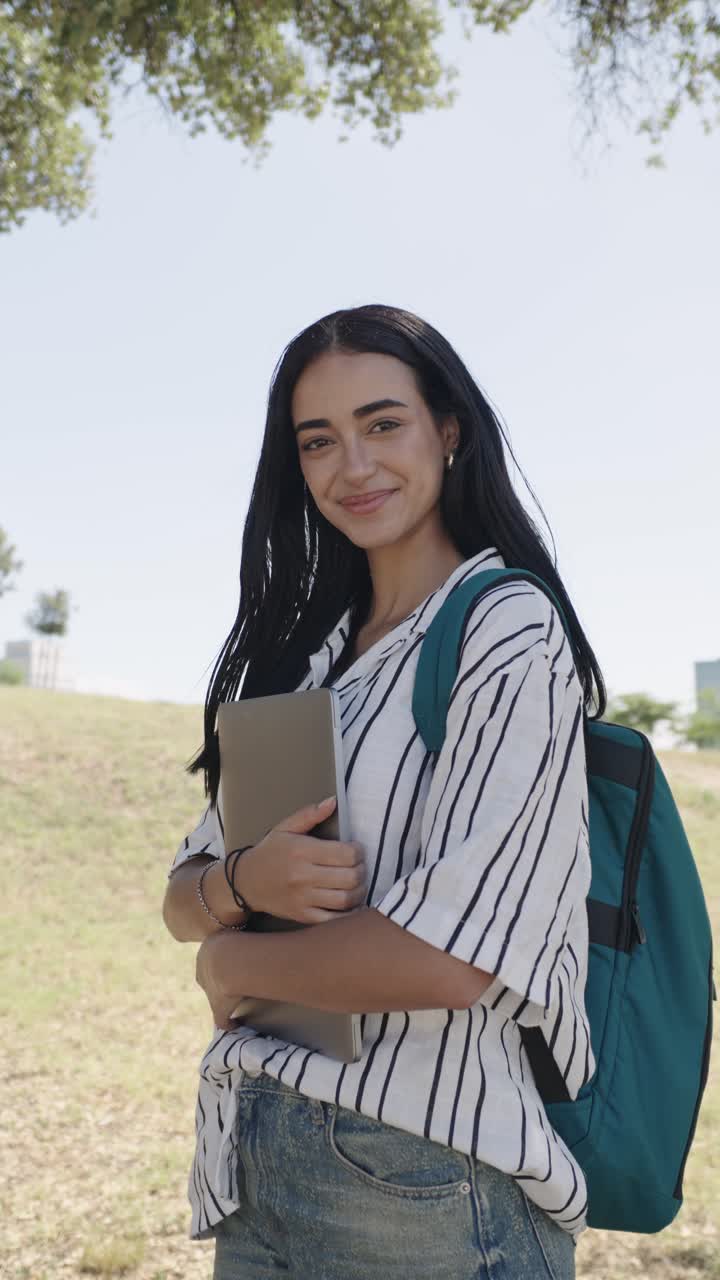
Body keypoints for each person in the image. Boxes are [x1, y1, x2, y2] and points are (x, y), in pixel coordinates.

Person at [162, 303, 605, 1279]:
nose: (352, 465)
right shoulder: (308, 658)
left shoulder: (505, 628)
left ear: (447, 429)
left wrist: (233, 964)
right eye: (318, 440)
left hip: (422, 1183)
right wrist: (243, 883)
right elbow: (182, 895)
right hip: (256, 1154)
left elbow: (450, 960)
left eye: (382, 423)